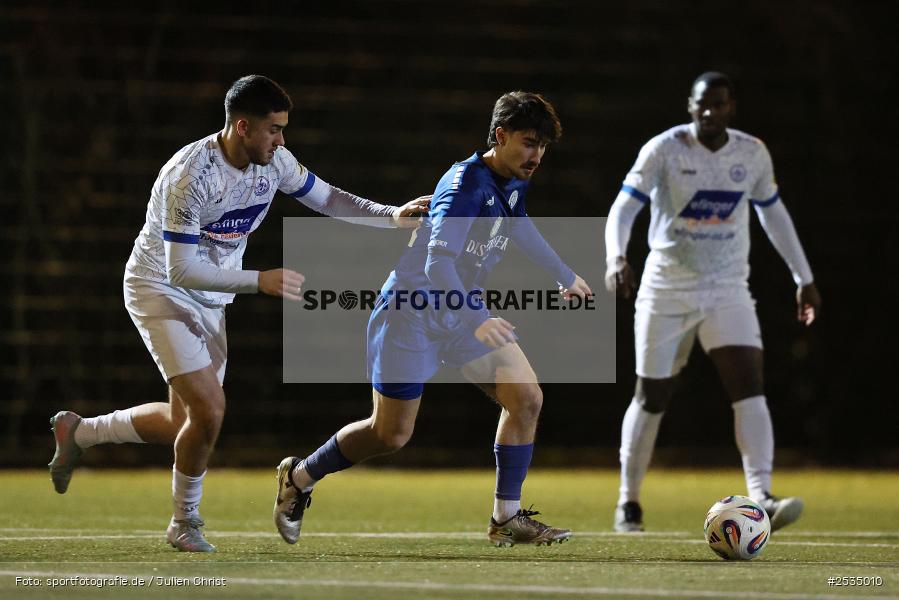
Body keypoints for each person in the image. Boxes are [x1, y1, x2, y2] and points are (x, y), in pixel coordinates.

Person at [48, 75, 430, 552]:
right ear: (242, 127)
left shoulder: (275, 163)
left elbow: (328, 197)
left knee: (182, 422)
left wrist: (389, 214)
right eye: (273, 130)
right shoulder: (190, 177)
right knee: (210, 410)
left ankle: (80, 432)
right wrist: (258, 280)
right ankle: (183, 523)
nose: (281, 140)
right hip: (160, 288)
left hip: (212, 296)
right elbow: (182, 268)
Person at [273, 91, 593, 547]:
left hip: (460, 311)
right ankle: (300, 476)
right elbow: (436, 266)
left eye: (543, 145)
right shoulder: (466, 186)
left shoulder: (513, 179)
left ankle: (506, 517)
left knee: (526, 399)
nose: (536, 155)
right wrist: (478, 318)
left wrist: (564, 275)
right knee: (390, 434)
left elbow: (519, 224)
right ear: (499, 136)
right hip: (412, 312)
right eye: (528, 142)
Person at [604, 72, 822, 533]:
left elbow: (773, 213)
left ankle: (761, 494)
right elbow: (625, 207)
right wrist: (617, 257)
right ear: (690, 105)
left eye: (718, 104)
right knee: (652, 394)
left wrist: (804, 276)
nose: (709, 112)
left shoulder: (751, 153)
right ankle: (629, 501)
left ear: (731, 108)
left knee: (749, 382)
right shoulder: (664, 149)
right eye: (702, 104)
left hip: (727, 287)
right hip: (666, 288)